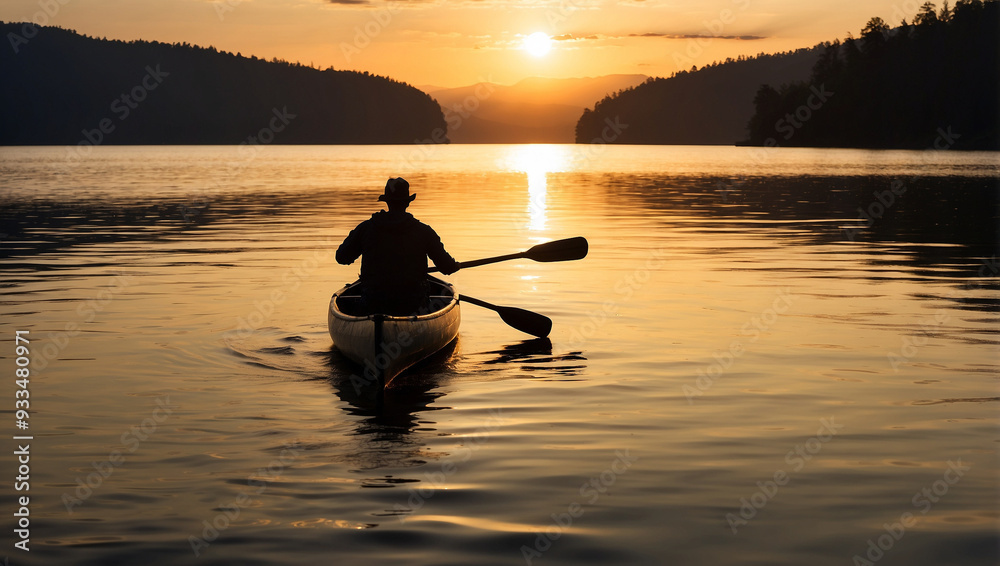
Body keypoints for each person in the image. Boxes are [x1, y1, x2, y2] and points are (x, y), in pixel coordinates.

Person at [336, 177, 460, 315]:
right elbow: (447, 267)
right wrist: (455, 266)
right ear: (407, 203)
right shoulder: (424, 231)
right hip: (413, 306)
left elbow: (342, 257)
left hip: (372, 304)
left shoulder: (366, 229)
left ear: (387, 202)